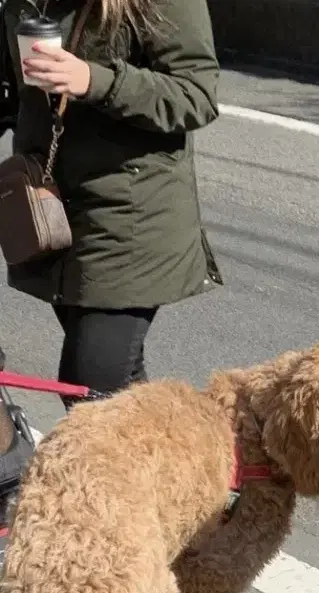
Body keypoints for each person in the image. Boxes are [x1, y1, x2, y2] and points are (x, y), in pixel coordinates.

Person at [1, 0, 222, 407]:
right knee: (119, 386)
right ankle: (175, 466)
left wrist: (94, 81)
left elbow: (197, 94)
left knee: (90, 385)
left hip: (131, 213)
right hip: (50, 211)